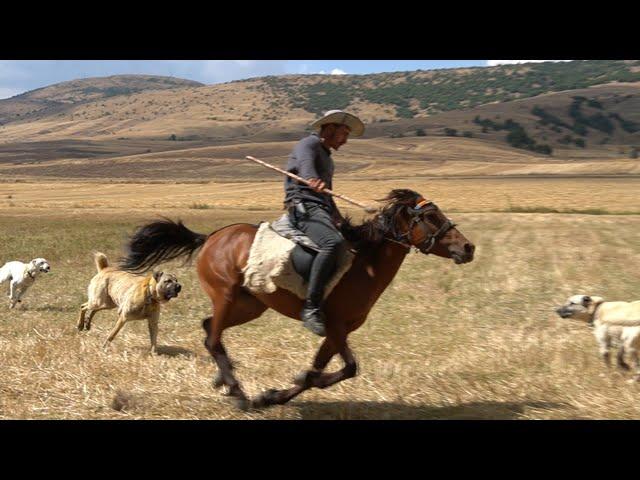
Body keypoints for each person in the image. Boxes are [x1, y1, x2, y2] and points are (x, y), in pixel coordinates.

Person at [284, 110, 365, 337]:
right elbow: (305, 165)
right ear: (330, 128)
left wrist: (337, 216)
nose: (346, 140)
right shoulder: (308, 144)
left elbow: (327, 194)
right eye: (344, 133)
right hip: (303, 207)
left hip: (321, 209)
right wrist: (311, 179)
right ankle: (311, 308)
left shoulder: (328, 157)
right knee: (332, 243)